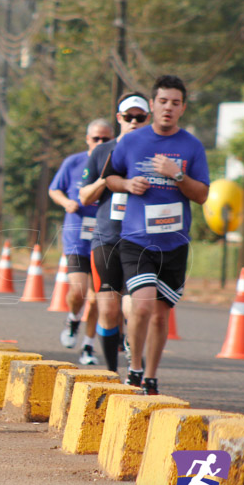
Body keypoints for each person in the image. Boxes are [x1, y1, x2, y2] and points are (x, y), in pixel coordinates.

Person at [104, 75, 210, 395]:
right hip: (136, 238)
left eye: (175, 103)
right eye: (162, 101)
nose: (168, 108)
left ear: (182, 109)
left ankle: (151, 377)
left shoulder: (191, 146)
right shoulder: (132, 142)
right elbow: (109, 178)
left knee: (161, 316)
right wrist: (126, 185)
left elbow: (203, 194)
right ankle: (134, 369)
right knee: (142, 306)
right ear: (152, 105)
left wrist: (176, 174)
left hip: (174, 242)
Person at [78, 93, 152, 372]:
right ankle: (111, 373)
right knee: (108, 311)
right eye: (128, 117)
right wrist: (105, 179)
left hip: (142, 239)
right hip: (107, 238)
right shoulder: (101, 151)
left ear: (148, 119)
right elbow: (84, 197)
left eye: (140, 117)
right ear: (119, 118)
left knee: (133, 309)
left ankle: (135, 367)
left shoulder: (155, 153)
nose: (133, 122)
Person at [49, 119, 114, 365]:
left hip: (104, 236)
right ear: (87, 139)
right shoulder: (73, 162)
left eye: (105, 139)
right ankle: (73, 318)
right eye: (95, 138)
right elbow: (54, 189)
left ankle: (87, 346)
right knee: (77, 291)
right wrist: (67, 203)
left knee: (97, 296)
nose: (100, 143)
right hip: (76, 235)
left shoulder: (116, 165)